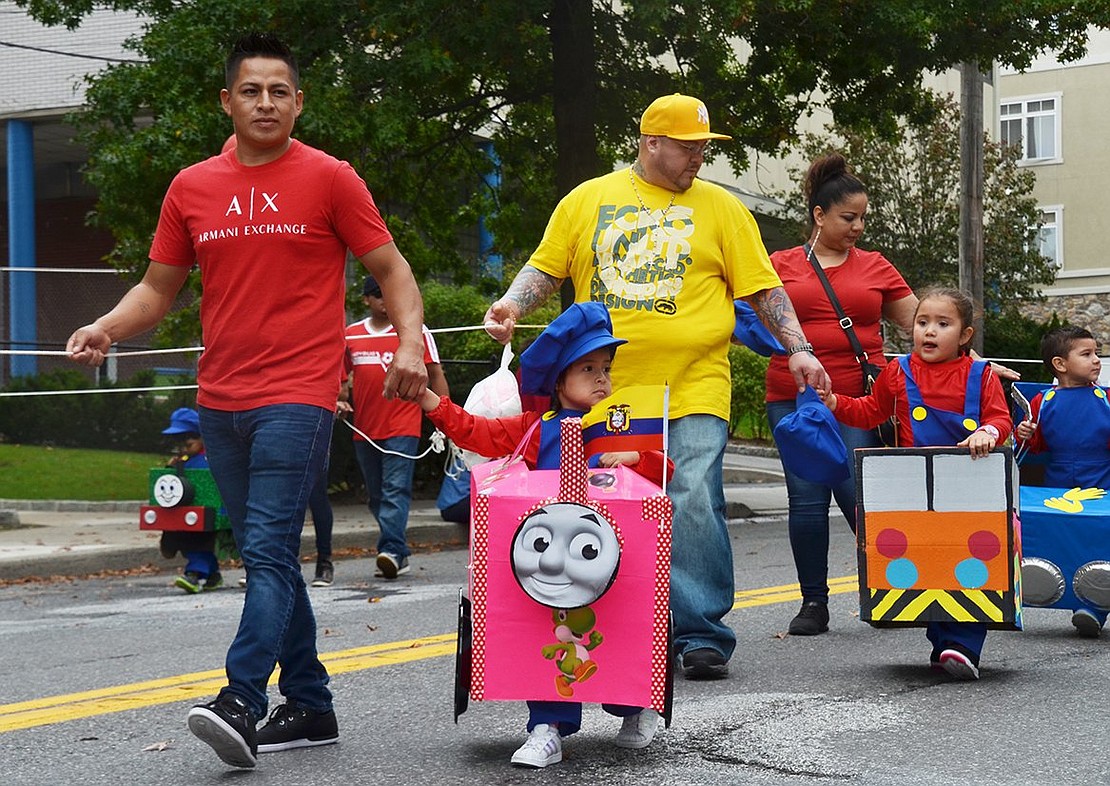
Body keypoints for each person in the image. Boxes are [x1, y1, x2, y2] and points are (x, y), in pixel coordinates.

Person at [65, 33, 429, 769]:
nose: (266, 102)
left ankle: (241, 698)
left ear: (298, 101)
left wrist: (410, 344)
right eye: (252, 90)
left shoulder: (331, 178)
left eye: (280, 91)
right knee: (266, 558)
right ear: (227, 101)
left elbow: (391, 270)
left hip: (297, 394)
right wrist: (105, 325)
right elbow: (157, 289)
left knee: (265, 549)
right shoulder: (191, 186)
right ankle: (312, 703)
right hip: (220, 399)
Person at [483, 93, 828, 680]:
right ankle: (622, 622)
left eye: (703, 148)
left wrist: (797, 348)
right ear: (651, 144)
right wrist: (511, 305)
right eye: (688, 148)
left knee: (691, 494)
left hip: (694, 383)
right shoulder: (588, 200)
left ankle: (700, 632)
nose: (698, 158)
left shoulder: (722, 209)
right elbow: (546, 267)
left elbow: (765, 291)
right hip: (602, 389)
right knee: (604, 506)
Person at [421, 301, 671, 767]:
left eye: (606, 368)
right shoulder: (538, 429)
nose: (602, 378)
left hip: (615, 557)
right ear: (559, 381)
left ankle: (634, 706)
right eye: (588, 368)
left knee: (622, 627)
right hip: (550, 558)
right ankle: (547, 725)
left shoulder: (622, 423)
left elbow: (664, 469)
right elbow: (478, 432)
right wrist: (431, 403)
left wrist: (639, 459)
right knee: (547, 633)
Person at [824, 287, 1012, 680]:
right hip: (914, 487)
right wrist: (835, 402)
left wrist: (987, 434)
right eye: (923, 322)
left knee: (970, 560)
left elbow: (1001, 420)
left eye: (943, 324)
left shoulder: (981, 375)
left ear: (964, 335)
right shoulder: (898, 371)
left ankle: (962, 644)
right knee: (928, 560)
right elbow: (870, 411)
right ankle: (942, 641)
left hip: (969, 486)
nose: (929, 331)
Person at [764, 153, 916, 636]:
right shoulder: (778, 265)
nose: (858, 227)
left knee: (860, 493)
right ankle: (814, 603)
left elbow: (926, 325)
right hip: (793, 397)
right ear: (819, 215)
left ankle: (894, 587)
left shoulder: (874, 266)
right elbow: (746, 320)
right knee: (806, 498)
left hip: (856, 399)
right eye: (848, 217)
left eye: (863, 218)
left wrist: (972, 363)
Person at [345, 274, 449, 579]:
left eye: (387, 294)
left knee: (394, 490)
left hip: (403, 426)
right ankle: (399, 552)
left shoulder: (415, 333)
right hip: (364, 429)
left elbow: (435, 374)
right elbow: (337, 377)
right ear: (366, 299)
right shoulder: (351, 335)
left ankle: (390, 548)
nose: (383, 300)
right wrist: (338, 401)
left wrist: (446, 418)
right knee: (376, 495)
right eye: (377, 295)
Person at [1015, 325, 1110, 636]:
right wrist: (1025, 434)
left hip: (1100, 480)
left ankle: (1095, 607)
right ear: (1060, 364)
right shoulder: (1043, 401)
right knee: (1064, 538)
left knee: (1097, 539)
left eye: (1096, 353)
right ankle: (1056, 593)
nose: (1097, 360)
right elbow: (1037, 447)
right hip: (1056, 482)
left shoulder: (1105, 398)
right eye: (1087, 354)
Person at [158, 407, 223, 593]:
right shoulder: (183, 460)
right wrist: (170, 469)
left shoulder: (208, 458)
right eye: (178, 440)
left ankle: (194, 573)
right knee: (185, 539)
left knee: (199, 540)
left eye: (188, 438)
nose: (183, 445)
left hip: (208, 508)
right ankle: (212, 574)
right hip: (184, 509)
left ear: (201, 436)